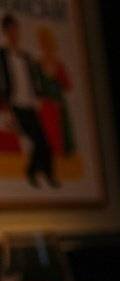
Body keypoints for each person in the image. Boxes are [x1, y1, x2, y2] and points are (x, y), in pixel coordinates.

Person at [0, 13, 58, 187]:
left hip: (30, 104)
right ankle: (34, 173)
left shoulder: (26, 56)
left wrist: (38, 96)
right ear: (5, 32)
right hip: (16, 105)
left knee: (44, 142)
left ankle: (44, 174)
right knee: (38, 141)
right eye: (11, 30)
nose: (14, 33)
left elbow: (33, 78)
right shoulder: (2, 56)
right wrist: (6, 106)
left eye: (16, 29)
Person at [37, 24, 74, 157]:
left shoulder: (58, 65)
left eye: (47, 42)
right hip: (46, 104)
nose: (45, 46)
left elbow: (68, 85)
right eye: (43, 43)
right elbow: (37, 86)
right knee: (47, 131)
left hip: (58, 104)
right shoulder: (38, 64)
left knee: (60, 132)